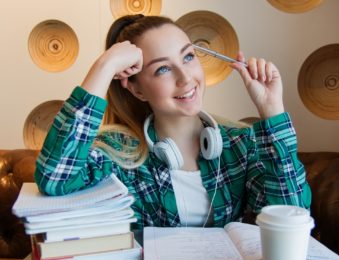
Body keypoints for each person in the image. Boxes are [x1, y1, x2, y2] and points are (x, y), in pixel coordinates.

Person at [35, 14, 311, 229]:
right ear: (136, 89)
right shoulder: (117, 154)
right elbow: (56, 179)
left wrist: (272, 108)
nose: (186, 78)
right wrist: (104, 67)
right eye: (163, 69)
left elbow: (293, 216)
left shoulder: (242, 145)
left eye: (188, 57)